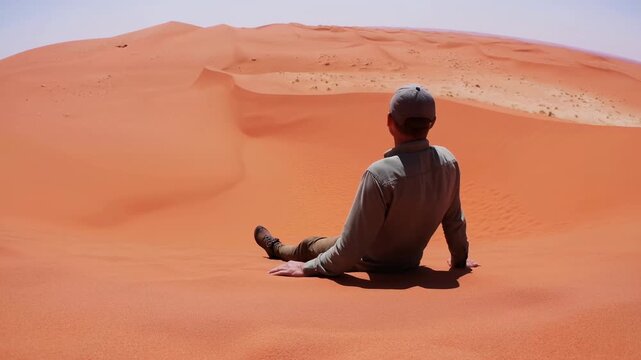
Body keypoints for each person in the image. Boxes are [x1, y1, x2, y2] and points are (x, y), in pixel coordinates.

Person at [254, 84, 478, 277]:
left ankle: (276, 249)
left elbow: (350, 248)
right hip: (409, 264)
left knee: (310, 245)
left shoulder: (380, 175)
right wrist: (460, 261)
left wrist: (308, 268)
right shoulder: (448, 161)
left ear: (390, 121)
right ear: (433, 122)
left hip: (370, 264)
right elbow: (454, 220)